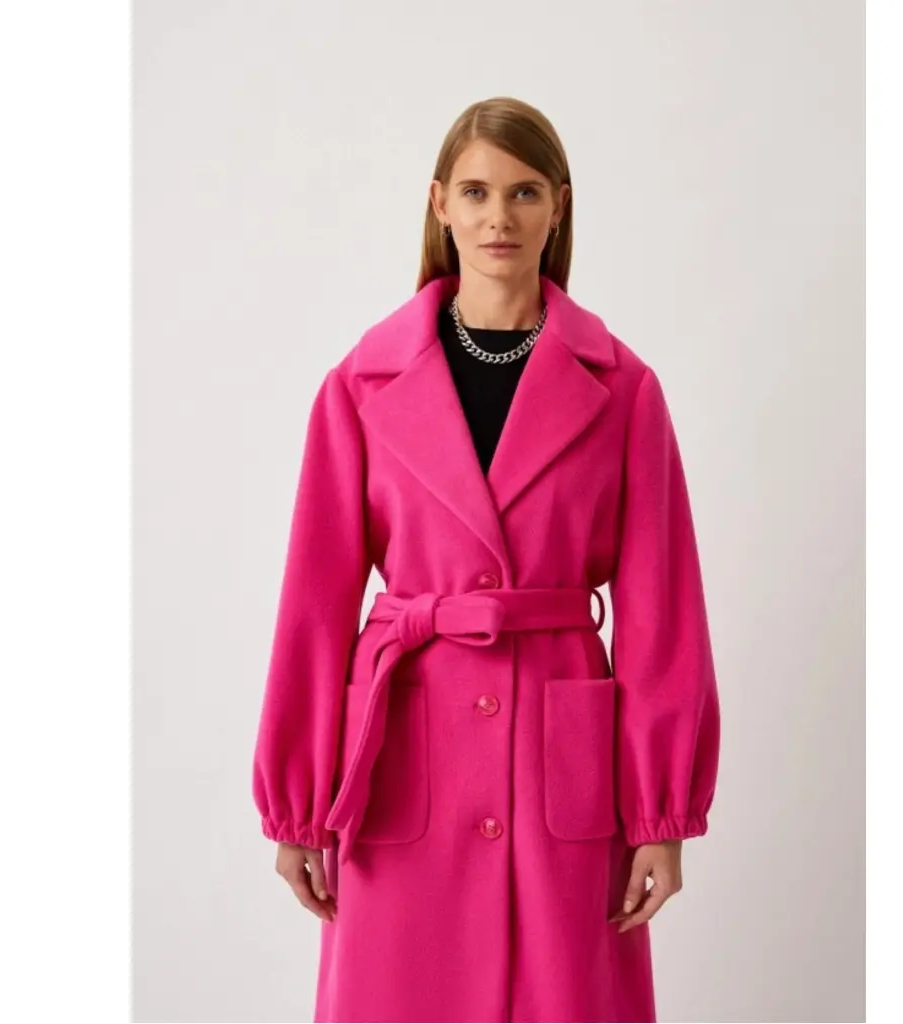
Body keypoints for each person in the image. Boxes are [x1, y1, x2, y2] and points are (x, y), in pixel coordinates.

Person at [252, 96, 721, 1023]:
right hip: (401, 757)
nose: (499, 216)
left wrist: (661, 815)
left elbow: (664, 609)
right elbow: (314, 602)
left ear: (559, 206)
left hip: (562, 765)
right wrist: (297, 804)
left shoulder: (623, 390)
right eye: (475, 191)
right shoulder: (361, 387)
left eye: (524, 191)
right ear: (439, 204)